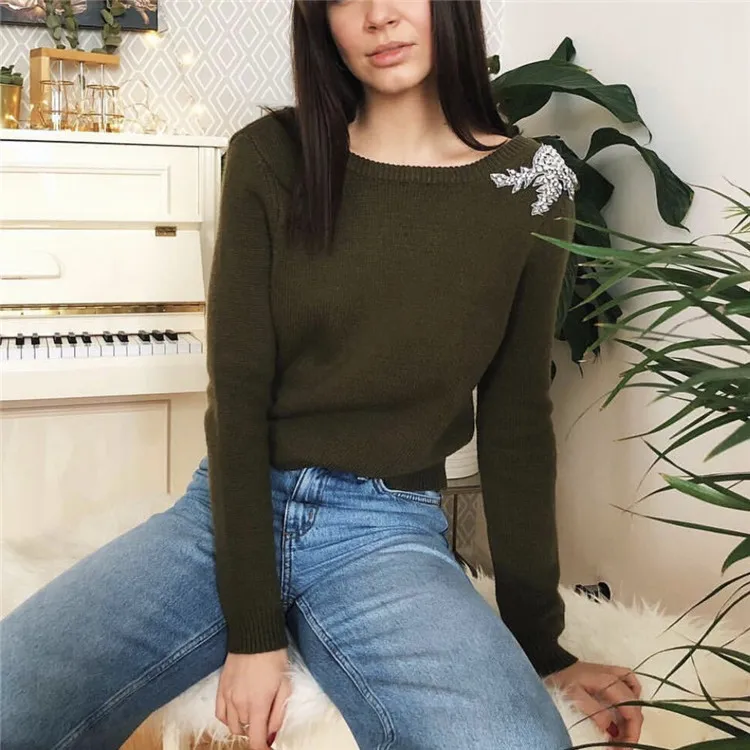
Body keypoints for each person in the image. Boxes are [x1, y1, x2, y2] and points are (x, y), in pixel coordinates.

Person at [0, 1, 644, 749]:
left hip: (385, 530)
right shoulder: (270, 156)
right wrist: (254, 633)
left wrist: (542, 645)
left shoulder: (531, 182)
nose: (378, 16)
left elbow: (517, 420)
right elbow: (236, 397)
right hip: (229, 515)